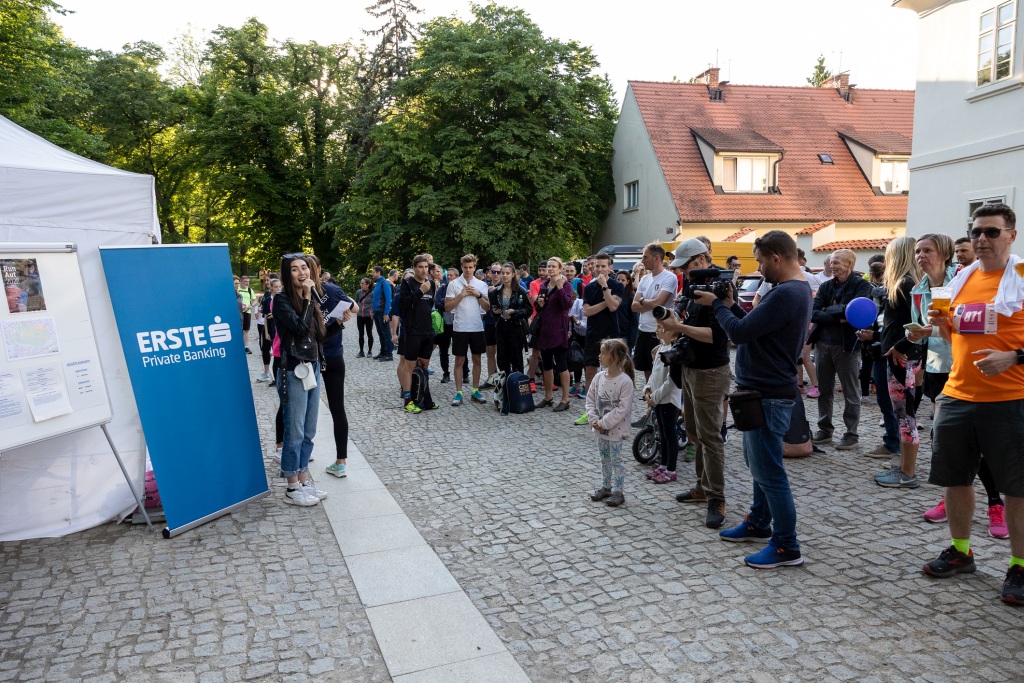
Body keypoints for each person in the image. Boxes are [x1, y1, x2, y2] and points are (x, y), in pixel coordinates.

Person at [921, 203, 1024, 604]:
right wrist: (940, 325)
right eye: (976, 231)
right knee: (956, 479)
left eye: (991, 232)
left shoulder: (1021, 276)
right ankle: (961, 551)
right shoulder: (960, 278)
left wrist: (1013, 357)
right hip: (957, 394)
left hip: (1011, 399)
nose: (981, 238)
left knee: (1016, 488)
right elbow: (954, 337)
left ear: (1011, 235)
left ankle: (1020, 565)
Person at [697, 230, 812, 569]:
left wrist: (717, 305)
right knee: (759, 464)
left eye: (761, 262)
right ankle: (759, 522)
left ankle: (787, 546)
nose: (759, 269)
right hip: (762, 392)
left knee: (770, 472)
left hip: (768, 395)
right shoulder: (792, 289)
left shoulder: (787, 292)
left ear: (777, 257)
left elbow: (740, 332)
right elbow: (752, 325)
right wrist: (732, 304)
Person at [908, 235, 1009, 537]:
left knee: (982, 444)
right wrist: (917, 334)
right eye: (918, 251)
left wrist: (939, 328)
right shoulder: (917, 291)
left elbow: (978, 323)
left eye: (927, 250)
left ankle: (996, 504)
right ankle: (951, 498)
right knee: (949, 442)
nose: (921, 256)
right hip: (939, 369)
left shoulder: (963, 280)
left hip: (971, 366)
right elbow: (925, 327)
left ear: (944, 253)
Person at [661, 239, 733, 529]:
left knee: (710, 436)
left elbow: (717, 336)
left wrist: (678, 327)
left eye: (687, 266)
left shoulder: (720, 288)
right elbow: (687, 321)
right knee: (694, 430)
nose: (684, 273)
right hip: (690, 367)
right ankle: (703, 487)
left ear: (702, 259)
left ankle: (716, 496)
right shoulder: (692, 287)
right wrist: (673, 320)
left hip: (710, 370)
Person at [274, 253, 328, 506]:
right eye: (295, 269)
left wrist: (339, 322)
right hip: (293, 370)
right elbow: (300, 329)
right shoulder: (281, 300)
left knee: (309, 430)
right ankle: (292, 486)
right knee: (294, 432)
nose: (302, 272)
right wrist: (307, 298)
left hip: (312, 367)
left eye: (304, 268)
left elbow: (317, 335)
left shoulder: (311, 299)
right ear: (288, 274)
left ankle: (304, 480)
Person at [871, 237, 924, 488]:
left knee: (905, 415)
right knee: (903, 413)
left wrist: (901, 346)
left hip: (903, 357)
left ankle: (908, 472)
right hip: (901, 355)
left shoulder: (905, 284)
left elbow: (920, 323)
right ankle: (904, 466)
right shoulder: (905, 283)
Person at [810, 249, 873, 450]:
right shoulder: (826, 286)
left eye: (836, 262)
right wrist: (839, 317)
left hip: (848, 345)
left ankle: (851, 434)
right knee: (824, 390)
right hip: (823, 344)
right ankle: (824, 429)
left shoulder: (862, 285)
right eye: (831, 262)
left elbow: (856, 312)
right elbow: (813, 312)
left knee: (850, 392)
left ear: (849, 264)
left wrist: (828, 310)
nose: (832, 265)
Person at [305, 256, 354, 479]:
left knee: (302, 408)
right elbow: (353, 307)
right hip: (331, 356)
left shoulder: (299, 294)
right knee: (337, 408)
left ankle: (296, 455)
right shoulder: (332, 290)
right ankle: (341, 461)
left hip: (314, 357)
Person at [575, 252, 624, 424]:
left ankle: (613, 409)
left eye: (603, 266)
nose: (600, 269)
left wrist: (604, 288)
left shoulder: (617, 285)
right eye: (597, 266)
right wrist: (605, 302)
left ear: (610, 267)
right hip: (593, 334)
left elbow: (613, 307)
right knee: (590, 370)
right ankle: (591, 410)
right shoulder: (589, 287)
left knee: (613, 370)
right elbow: (587, 311)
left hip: (611, 334)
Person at [586, 339, 636, 508]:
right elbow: (590, 399)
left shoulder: (625, 381)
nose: (599, 356)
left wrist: (603, 423)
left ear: (614, 357)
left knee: (616, 460)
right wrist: (593, 419)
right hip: (600, 429)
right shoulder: (599, 377)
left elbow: (623, 409)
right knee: (604, 459)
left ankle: (618, 491)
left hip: (615, 430)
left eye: (603, 353)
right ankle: (606, 487)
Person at [445, 254, 490, 406]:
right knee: (459, 360)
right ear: (461, 267)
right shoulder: (454, 284)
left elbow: (487, 308)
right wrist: (462, 295)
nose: (468, 270)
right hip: (460, 327)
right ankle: (458, 393)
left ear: (475, 267)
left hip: (476, 327)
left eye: (471, 267)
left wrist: (478, 295)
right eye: (465, 267)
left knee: (477, 359)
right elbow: (447, 307)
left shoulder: (481, 284)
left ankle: (475, 390)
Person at [631, 242, 678, 383]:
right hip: (643, 329)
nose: (642, 261)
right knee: (646, 368)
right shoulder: (645, 279)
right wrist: (650, 303)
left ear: (656, 258)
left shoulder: (669, 277)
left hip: (659, 331)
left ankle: (658, 395)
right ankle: (649, 392)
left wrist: (643, 300)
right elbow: (634, 306)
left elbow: (659, 303)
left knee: (659, 369)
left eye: (645, 257)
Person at [642, 323, 683, 485]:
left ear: (670, 331)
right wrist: (647, 389)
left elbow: (671, 380)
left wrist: (655, 396)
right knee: (663, 433)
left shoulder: (674, 350)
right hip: (658, 399)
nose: (657, 329)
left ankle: (671, 469)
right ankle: (663, 464)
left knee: (670, 434)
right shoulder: (660, 348)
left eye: (660, 326)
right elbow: (654, 374)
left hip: (668, 400)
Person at [534, 257, 575, 411]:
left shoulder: (566, 285)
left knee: (562, 364)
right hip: (545, 330)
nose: (550, 269)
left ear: (560, 269)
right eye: (548, 266)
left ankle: (565, 399)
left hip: (559, 330)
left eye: (553, 266)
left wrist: (559, 288)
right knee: (547, 364)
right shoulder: (544, 285)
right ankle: (548, 396)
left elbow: (566, 304)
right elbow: (539, 307)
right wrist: (539, 304)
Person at [398, 255, 437, 413]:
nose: (424, 270)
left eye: (426, 267)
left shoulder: (431, 284)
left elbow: (430, 306)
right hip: (412, 330)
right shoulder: (407, 283)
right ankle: (408, 400)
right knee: (410, 366)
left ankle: (424, 398)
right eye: (420, 267)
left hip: (427, 330)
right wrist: (421, 291)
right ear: (414, 268)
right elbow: (404, 304)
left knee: (425, 365)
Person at [489, 263, 531, 376]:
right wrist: (494, 312)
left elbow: (529, 310)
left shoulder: (520, 291)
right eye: (503, 273)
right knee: (502, 358)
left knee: (516, 358)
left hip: (516, 326)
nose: (505, 275)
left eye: (507, 273)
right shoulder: (496, 291)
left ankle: (517, 382)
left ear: (513, 274)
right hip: (501, 327)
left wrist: (515, 311)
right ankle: (505, 382)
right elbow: (491, 309)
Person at [371, 266, 394, 361]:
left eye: (373, 272)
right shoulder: (377, 284)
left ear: (378, 272)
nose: (372, 274)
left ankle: (389, 354)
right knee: (381, 333)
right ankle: (383, 352)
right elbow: (375, 299)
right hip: (377, 312)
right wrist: (373, 311)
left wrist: (386, 313)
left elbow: (388, 299)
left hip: (382, 312)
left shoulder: (385, 283)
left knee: (386, 333)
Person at [615, 271, 639, 353]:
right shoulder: (612, 294)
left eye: (623, 280)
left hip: (625, 334)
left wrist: (632, 340)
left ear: (628, 281)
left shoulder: (631, 296)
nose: (620, 282)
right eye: (618, 280)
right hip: (613, 332)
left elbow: (634, 319)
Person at [354, 277, 375, 358]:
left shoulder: (372, 293)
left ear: (368, 285)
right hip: (360, 316)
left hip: (368, 316)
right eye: (361, 283)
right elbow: (356, 302)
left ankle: (370, 351)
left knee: (369, 333)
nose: (361, 285)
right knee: (361, 334)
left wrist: (372, 312)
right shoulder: (358, 292)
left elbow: (375, 303)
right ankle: (361, 351)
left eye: (363, 283)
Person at [238, 275, 255, 354]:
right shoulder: (237, 289)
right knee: (237, 329)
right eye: (245, 281)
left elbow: (254, 300)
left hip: (247, 312)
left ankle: (246, 347)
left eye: (248, 282)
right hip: (238, 311)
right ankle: (238, 346)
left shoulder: (249, 290)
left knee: (246, 329)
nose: (247, 283)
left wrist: (251, 305)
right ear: (241, 281)